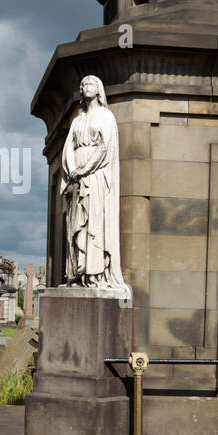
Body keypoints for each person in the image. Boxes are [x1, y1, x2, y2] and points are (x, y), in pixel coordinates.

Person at [61, 75, 126, 289]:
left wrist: (84, 169)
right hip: (76, 178)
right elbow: (69, 147)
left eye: (90, 84)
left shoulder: (106, 116)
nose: (85, 87)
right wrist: (72, 170)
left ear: (98, 89)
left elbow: (104, 147)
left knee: (94, 223)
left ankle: (95, 274)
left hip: (95, 178)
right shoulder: (78, 120)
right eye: (83, 84)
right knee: (76, 224)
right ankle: (78, 274)